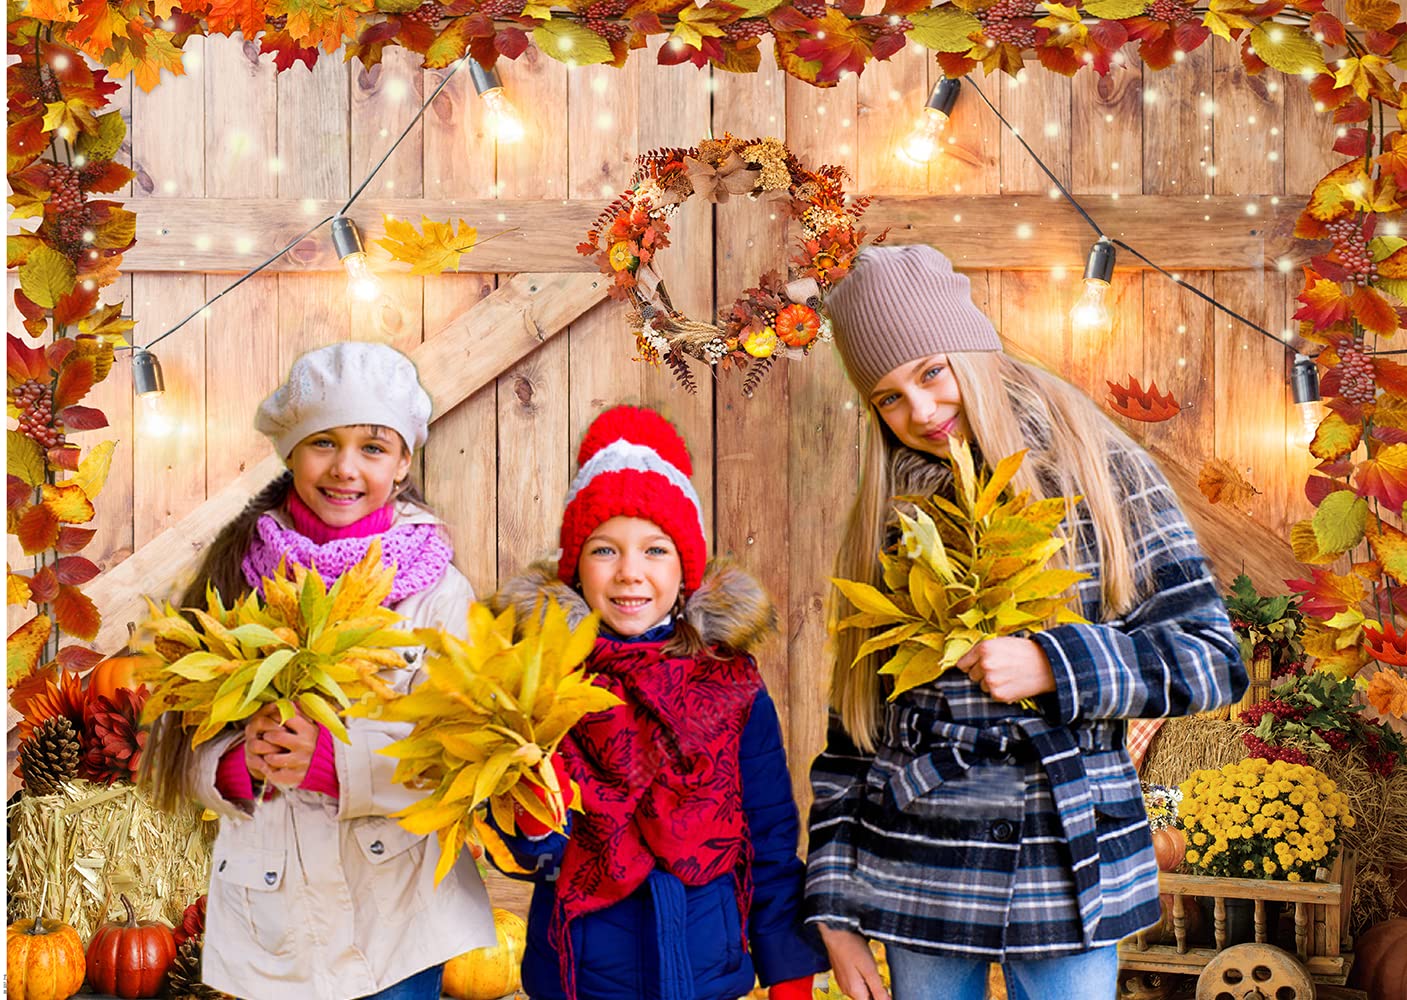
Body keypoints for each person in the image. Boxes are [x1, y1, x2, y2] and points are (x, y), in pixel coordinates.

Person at [804, 245, 1248, 1000]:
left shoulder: (1102, 471)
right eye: (887, 397)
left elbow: (1210, 659)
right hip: (920, 868)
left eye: (931, 372)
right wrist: (833, 909)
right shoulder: (894, 517)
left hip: (1067, 863)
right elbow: (854, 736)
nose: (919, 411)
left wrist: (1056, 665)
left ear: (972, 353)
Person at [139, 341, 495, 1000]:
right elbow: (181, 742)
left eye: (372, 447)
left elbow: (464, 755)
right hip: (277, 912)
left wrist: (338, 763)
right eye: (323, 442)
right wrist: (234, 767)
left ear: (404, 462)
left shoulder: (439, 594)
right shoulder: (238, 577)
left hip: (397, 910)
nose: (345, 468)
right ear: (290, 453)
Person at [487, 405, 828, 1000]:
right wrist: (530, 822)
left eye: (654, 550)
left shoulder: (729, 683)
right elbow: (516, 843)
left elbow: (769, 830)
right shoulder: (540, 678)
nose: (629, 574)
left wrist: (787, 969)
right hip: (579, 968)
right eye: (604, 550)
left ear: (684, 568)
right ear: (575, 567)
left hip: (705, 961)